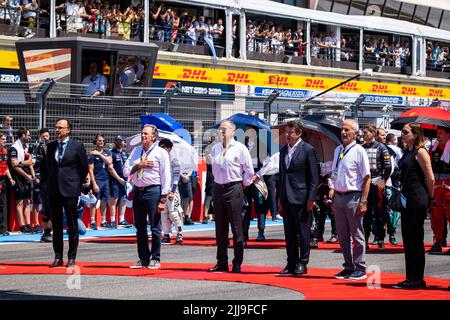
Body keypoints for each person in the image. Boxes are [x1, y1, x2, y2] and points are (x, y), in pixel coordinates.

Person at [208, 120, 254, 273]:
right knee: (220, 228)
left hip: (234, 187)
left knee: (236, 227)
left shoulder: (240, 148)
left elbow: (249, 170)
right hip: (219, 188)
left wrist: (243, 185)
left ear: (233, 132)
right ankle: (221, 261)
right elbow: (214, 170)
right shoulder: (215, 148)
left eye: (225, 129)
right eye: (220, 129)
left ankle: (237, 262)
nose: (222, 132)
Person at [42, 119, 89, 268]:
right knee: (56, 224)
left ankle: (71, 257)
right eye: (56, 127)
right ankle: (58, 257)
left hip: (70, 189)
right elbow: (46, 168)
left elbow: (83, 168)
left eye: (60, 128)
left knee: (72, 223)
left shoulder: (77, 146)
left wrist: (76, 183)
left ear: (68, 130)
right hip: (54, 190)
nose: (57, 130)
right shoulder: (50, 147)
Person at [123, 124, 171, 269]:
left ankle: (155, 258)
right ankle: (143, 258)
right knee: (140, 227)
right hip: (138, 190)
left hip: (153, 191)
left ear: (154, 136)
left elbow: (166, 176)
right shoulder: (136, 151)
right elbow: (126, 171)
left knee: (155, 226)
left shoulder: (161, 153)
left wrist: (163, 198)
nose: (143, 136)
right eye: (142, 133)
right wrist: (139, 165)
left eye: (146, 134)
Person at [394, 123, 435, 289]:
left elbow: (430, 178)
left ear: (416, 134)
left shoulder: (421, 152)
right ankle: (411, 276)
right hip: (407, 197)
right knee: (408, 239)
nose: (402, 134)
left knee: (415, 239)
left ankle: (417, 278)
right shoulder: (407, 152)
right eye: (402, 131)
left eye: (406, 132)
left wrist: (430, 198)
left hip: (417, 198)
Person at [329, 120, 371, 281]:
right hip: (339, 196)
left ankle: (360, 267)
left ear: (355, 133)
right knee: (342, 233)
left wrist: (364, 201)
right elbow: (334, 172)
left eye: (347, 130)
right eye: (342, 129)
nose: (343, 132)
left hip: (354, 195)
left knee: (357, 233)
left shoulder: (359, 150)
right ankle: (348, 266)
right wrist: (332, 190)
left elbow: (366, 177)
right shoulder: (338, 149)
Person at [278, 120, 319, 276]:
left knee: (303, 233)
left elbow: (314, 177)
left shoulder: (308, 150)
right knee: (289, 233)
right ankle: (291, 263)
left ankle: (303, 263)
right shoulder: (283, 151)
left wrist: (311, 198)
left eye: (291, 132)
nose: (288, 135)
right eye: (286, 132)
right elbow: (281, 175)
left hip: (302, 198)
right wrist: (279, 198)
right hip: (286, 197)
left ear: (299, 133)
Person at [362, 124, 392, 249]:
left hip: (378, 182)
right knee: (365, 213)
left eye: (366, 132)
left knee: (380, 212)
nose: (363, 134)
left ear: (373, 134)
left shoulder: (382, 147)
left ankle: (380, 239)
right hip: (365, 184)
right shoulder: (361, 148)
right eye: (363, 132)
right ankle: (365, 240)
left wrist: (382, 181)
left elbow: (388, 166)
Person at [8, 127, 35, 234]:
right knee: (19, 202)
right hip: (18, 177)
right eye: (28, 134)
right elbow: (14, 166)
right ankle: (22, 225)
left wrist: (21, 163)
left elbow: (30, 161)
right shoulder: (13, 148)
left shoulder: (27, 147)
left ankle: (28, 224)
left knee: (27, 201)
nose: (29, 136)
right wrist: (26, 175)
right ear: (23, 135)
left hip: (25, 176)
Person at [428, 126, 450, 253]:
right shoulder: (433, 148)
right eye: (437, 133)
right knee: (435, 215)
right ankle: (438, 241)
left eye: (441, 133)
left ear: (448, 135)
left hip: (448, 186)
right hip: (436, 186)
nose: (438, 135)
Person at [159, 138, 183, 244]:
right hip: (162, 190)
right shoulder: (159, 159)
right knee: (163, 214)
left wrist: (172, 191)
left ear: (168, 148)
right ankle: (167, 234)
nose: (160, 149)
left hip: (172, 191)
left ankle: (179, 232)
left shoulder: (174, 159)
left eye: (163, 147)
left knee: (173, 213)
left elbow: (176, 176)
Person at [30, 128, 53, 239]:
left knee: (49, 209)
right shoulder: (36, 148)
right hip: (43, 181)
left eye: (47, 136)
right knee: (42, 205)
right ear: (40, 136)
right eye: (43, 136)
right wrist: (36, 177)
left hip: (52, 182)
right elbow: (32, 163)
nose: (45, 138)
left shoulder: (52, 148)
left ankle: (47, 233)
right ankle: (45, 231)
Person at [88, 133, 113, 229]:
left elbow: (109, 161)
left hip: (106, 179)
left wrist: (99, 154)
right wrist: (93, 183)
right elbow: (90, 169)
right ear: (96, 141)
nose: (101, 142)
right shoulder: (92, 154)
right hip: (97, 180)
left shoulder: (107, 152)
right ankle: (93, 221)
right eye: (99, 140)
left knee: (104, 200)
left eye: (103, 140)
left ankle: (103, 220)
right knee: (94, 200)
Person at [108, 135, 132, 228]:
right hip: (114, 180)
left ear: (124, 142)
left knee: (123, 199)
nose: (119, 142)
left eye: (121, 141)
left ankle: (122, 220)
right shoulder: (111, 153)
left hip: (125, 181)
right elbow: (110, 168)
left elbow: (129, 167)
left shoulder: (126, 154)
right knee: (114, 199)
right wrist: (118, 179)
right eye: (117, 140)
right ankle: (113, 220)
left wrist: (128, 179)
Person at [385, 133, 403, 245]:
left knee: (390, 207)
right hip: (391, 181)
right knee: (392, 207)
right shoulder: (397, 149)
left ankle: (391, 231)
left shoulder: (396, 149)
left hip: (392, 181)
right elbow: (401, 163)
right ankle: (391, 231)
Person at [0, 133, 15, 236]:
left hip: (3, 180)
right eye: (3, 139)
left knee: (3, 204)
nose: (5, 141)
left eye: (5, 139)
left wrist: (10, 179)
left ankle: (3, 229)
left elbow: (5, 167)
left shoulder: (4, 150)